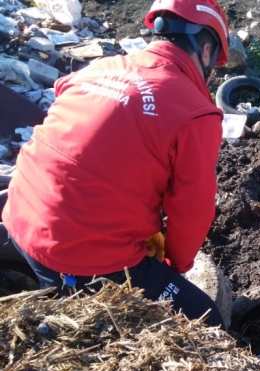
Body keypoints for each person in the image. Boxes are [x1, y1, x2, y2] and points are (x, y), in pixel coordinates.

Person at [2, 0, 231, 327]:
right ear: (206, 51)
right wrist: (172, 265)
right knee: (208, 322)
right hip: (80, 257)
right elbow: (193, 210)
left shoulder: (99, 68)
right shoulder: (194, 113)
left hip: (19, 218)